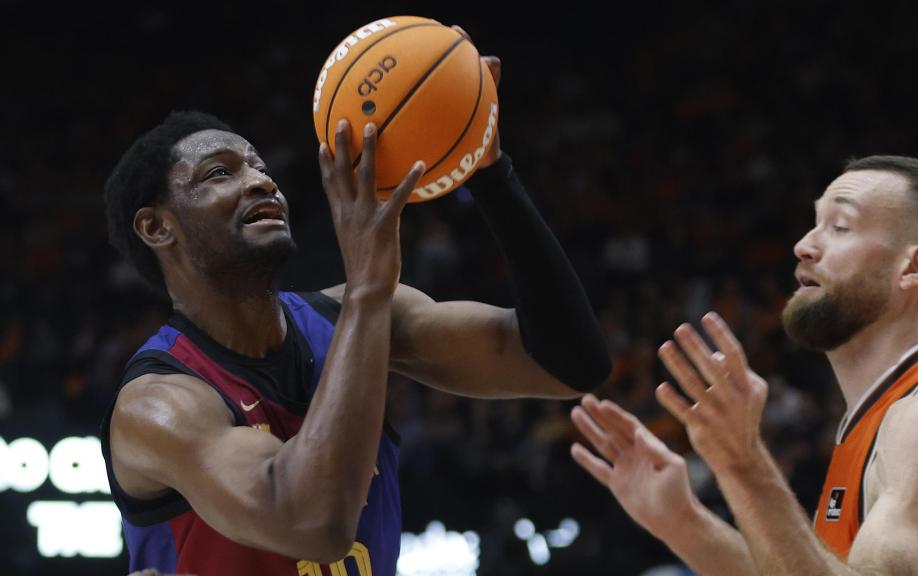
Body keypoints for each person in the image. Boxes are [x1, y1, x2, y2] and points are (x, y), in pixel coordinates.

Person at [100, 30, 610, 576]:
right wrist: (367, 287)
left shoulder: (353, 318)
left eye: (261, 168)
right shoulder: (158, 405)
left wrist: (489, 171)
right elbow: (311, 522)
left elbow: (570, 363)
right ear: (157, 227)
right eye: (221, 173)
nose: (261, 182)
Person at [571, 156, 918, 575]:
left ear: (913, 266)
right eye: (814, 224)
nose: (803, 246)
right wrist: (683, 522)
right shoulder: (884, 414)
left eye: (840, 226)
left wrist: (743, 464)